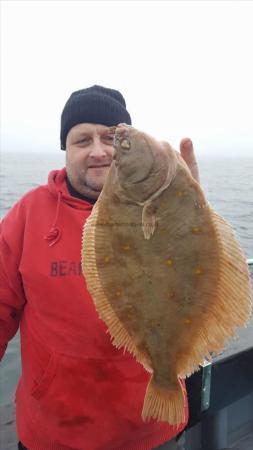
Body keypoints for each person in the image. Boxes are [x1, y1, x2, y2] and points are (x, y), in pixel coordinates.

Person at [0, 85, 199, 450]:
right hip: (52, 435)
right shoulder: (28, 214)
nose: (98, 151)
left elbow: (198, 284)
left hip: (150, 429)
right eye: (81, 140)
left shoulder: (161, 204)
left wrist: (189, 215)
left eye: (111, 138)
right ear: (65, 150)